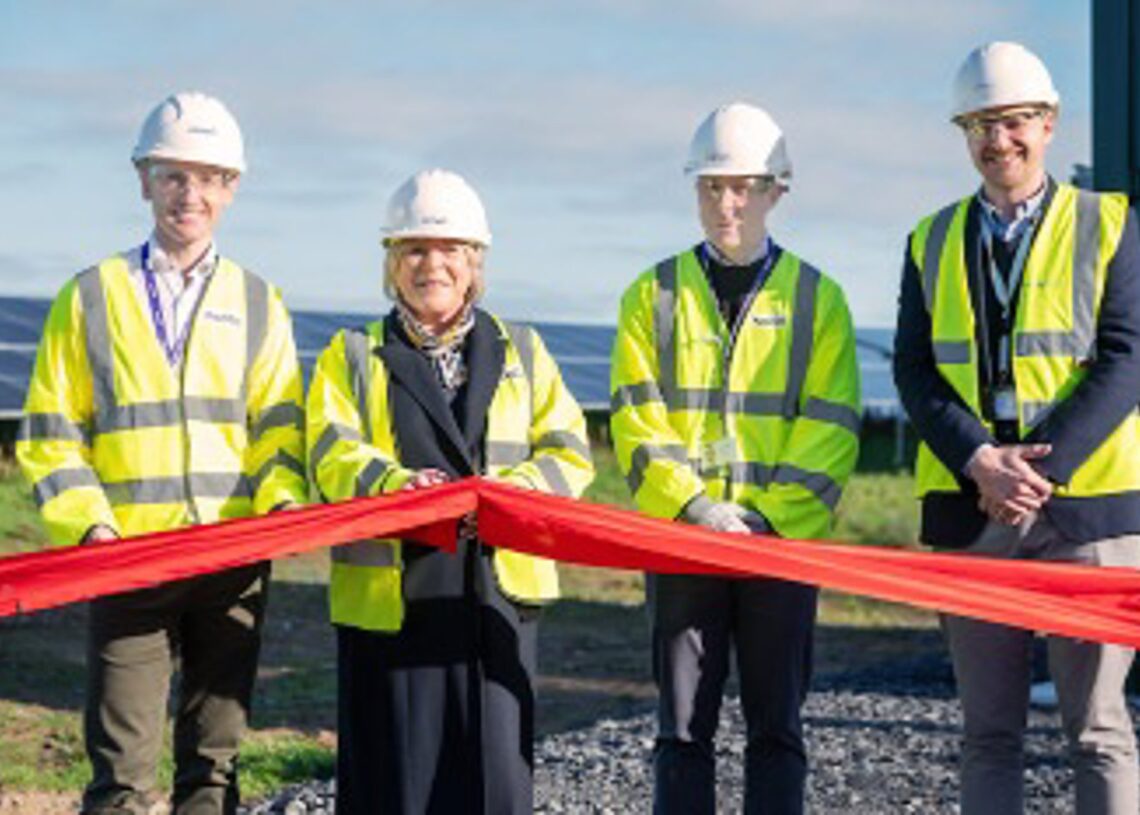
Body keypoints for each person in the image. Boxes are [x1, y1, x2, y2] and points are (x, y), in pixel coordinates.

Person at [16, 91, 306, 814]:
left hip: (232, 560)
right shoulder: (88, 296)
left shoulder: (262, 301)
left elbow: (280, 428)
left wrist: (280, 508)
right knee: (121, 773)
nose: (190, 194)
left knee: (214, 768)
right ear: (144, 179)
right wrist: (92, 527)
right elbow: (50, 432)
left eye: (208, 177)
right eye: (173, 174)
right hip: (127, 559)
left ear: (230, 190)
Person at [892, 41, 1140, 814]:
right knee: (987, 732)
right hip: (974, 514)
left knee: (1098, 729)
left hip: (1087, 513)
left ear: (1049, 122)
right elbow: (915, 371)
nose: (995, 140)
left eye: (1011, 121)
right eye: (977, 124)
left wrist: (1039, 472)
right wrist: (979, 461)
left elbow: (1128, 358)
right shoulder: (928, 241)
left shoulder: (1112, 224)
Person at [306, 168, 594, 814]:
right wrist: (396, 486)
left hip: (496, 602)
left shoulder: (523, 350)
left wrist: (508, 493)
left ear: (474, 261)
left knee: (494, 788)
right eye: (413, 249)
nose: (430, 264)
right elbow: (328, 452)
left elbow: (571, 449)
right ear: (390, 262)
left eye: (448, 250)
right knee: (395, 787)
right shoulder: (350, 355)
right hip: (392, 607)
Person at [610, 102, 861, 814]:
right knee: (683, 729)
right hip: (684, 540)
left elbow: (831, 428)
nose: (728, 202)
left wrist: (762, 519)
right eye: (713, 186)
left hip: (780, 550)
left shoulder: (820, 301)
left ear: (777, 190)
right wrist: (696, 507)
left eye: (744, 186)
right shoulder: (651, 295)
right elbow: (636, 417)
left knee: (776, 728)